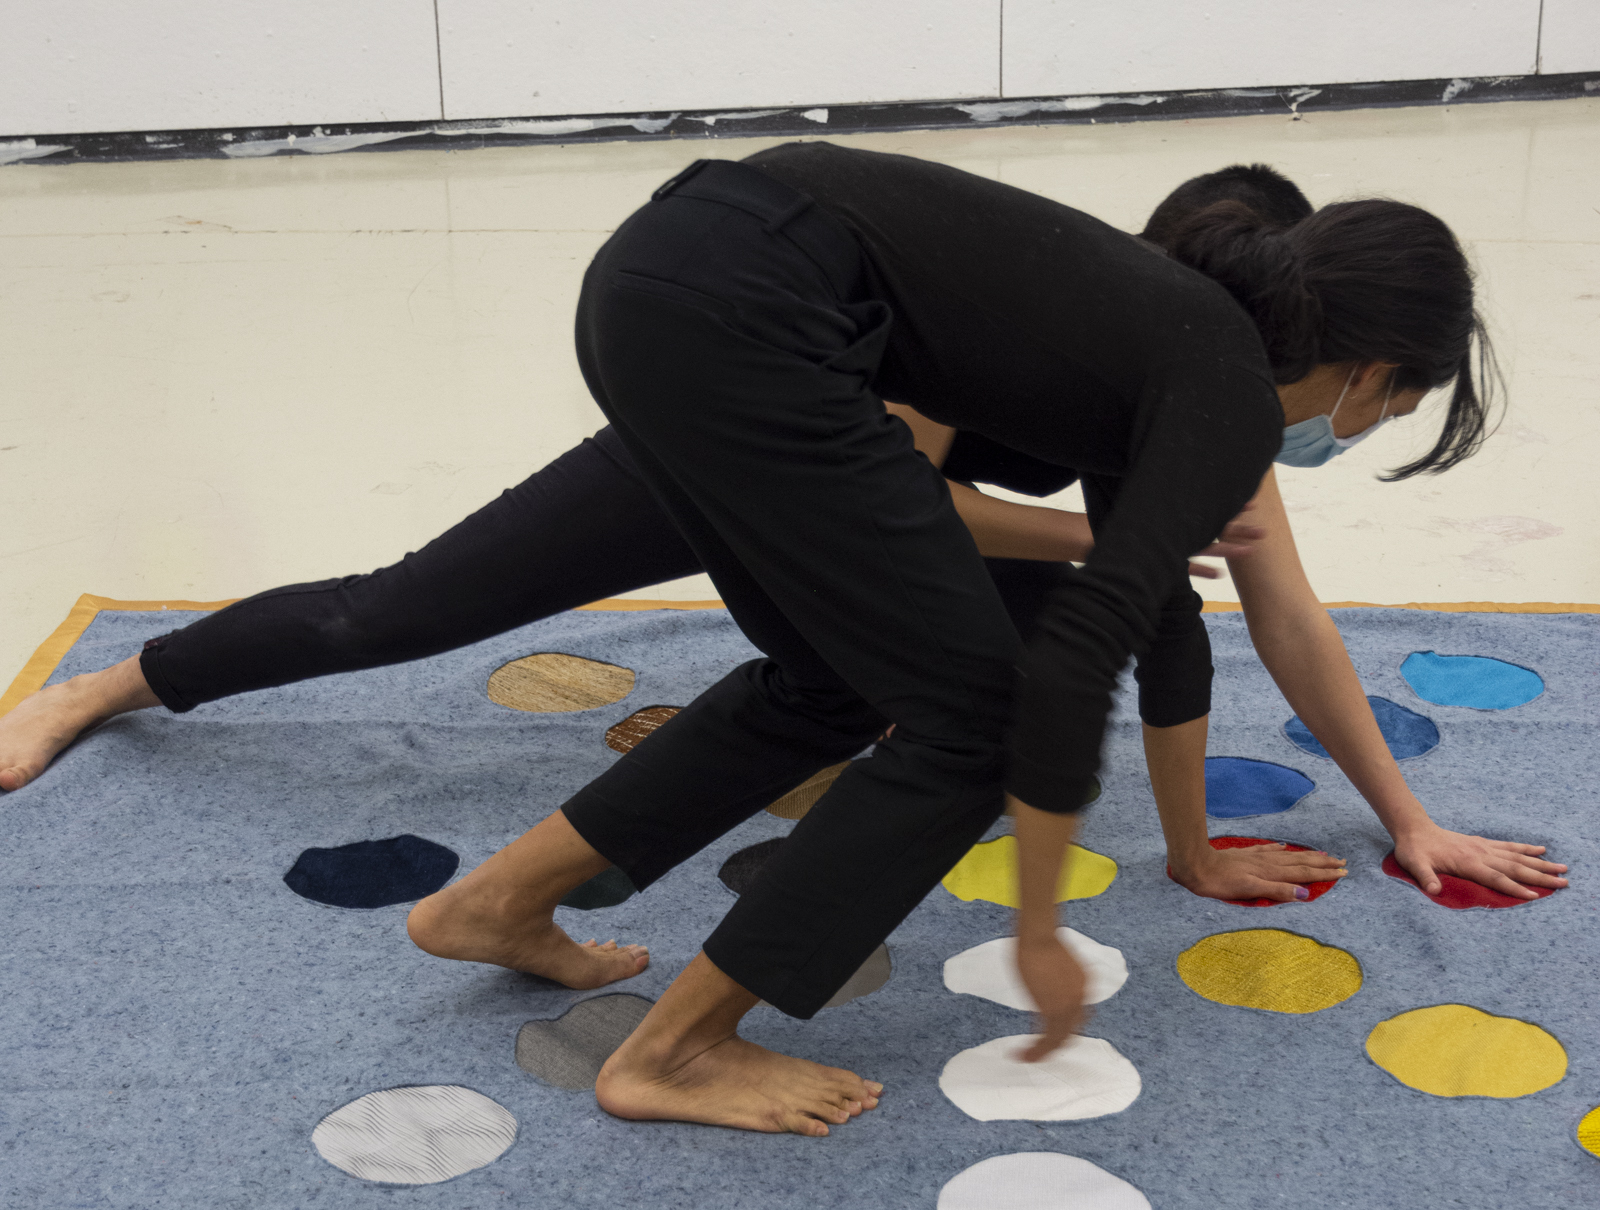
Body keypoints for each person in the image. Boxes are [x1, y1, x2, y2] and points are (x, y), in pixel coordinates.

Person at [0, 163, 1557, 928]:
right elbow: (900, 489)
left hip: (797, 440)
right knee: (404, 610)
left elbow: (1269, 612)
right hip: (735, 434)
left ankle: (555, 886)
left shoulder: (1213, 397)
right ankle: (108, 688)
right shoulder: (1051, 339)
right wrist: (1088, 539)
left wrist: (1401, 816)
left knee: (1104, 613)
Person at [387, 140, 1559, 1138]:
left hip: (657, 272)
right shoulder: (1222, 388)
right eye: (1395, 412)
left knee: (825, 685)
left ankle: (492, 905)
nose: (1362, 433)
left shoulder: (1166, 337)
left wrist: (1380, 820)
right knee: (976, 722)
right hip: (749, 316)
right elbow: (1093, 645)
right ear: (1370, 373)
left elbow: (1176, 621)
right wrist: (1043, 925)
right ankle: (674, 1053)